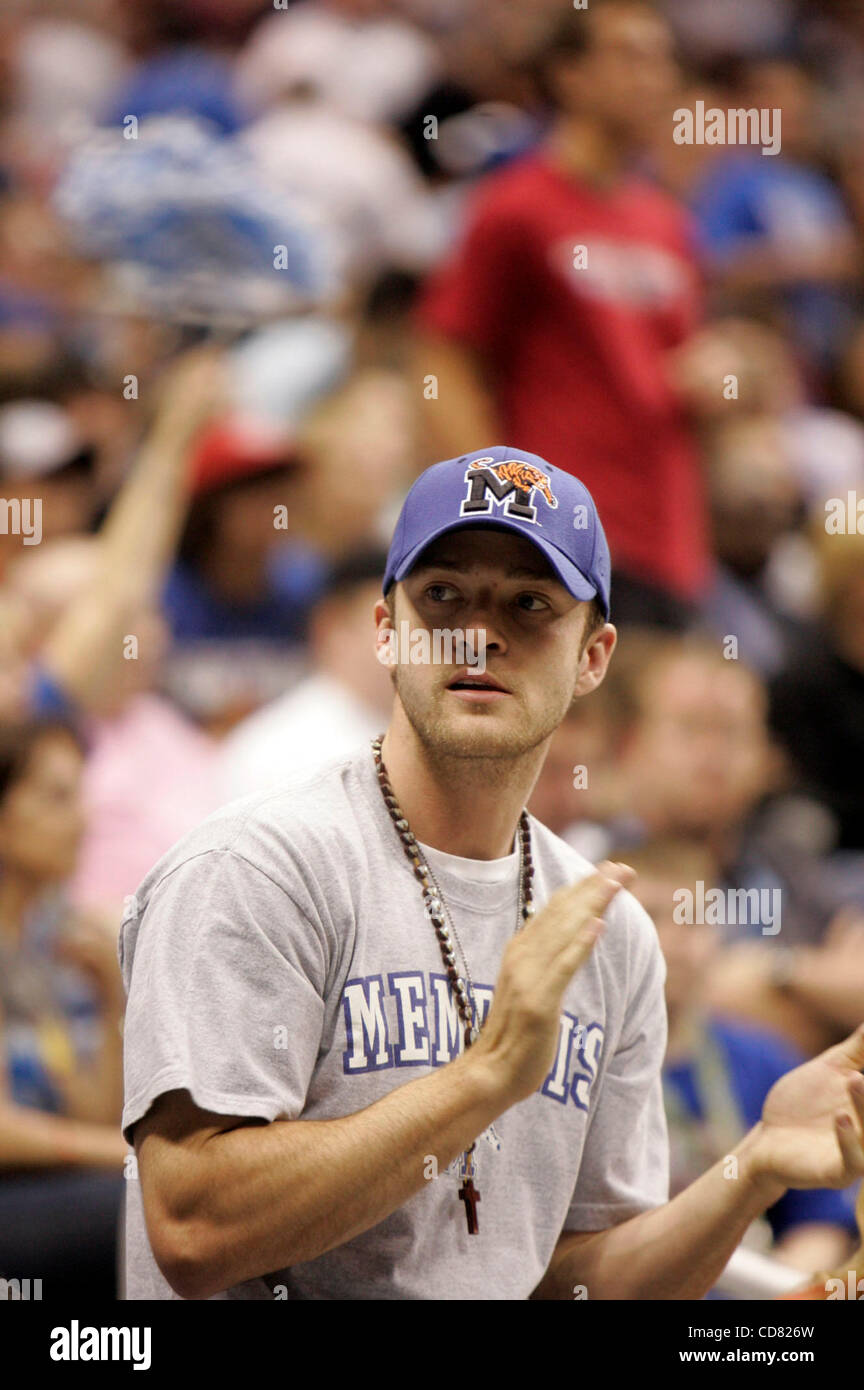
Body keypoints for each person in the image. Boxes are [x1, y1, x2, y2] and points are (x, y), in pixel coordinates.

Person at [120, 446, 864, 1301]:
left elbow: (579, 1282)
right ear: (385, 631)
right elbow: (192, 1227)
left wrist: (755, 1167)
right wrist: (483, 1077)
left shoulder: (607, 930)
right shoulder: (256, 870)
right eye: (443, 598)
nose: (481, 633)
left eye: (529, 604)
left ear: (594, 657)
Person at [415, 0, 710, 625]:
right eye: (629, 56)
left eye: (663, 60)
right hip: (562, 544)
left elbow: (677, 369)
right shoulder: (516, 208)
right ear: (568, 76)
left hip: (668, 543)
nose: (653, 77)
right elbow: (443, 359)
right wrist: (499, 520)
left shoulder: (668, 223)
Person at [623, 837, 858, 1276]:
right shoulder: (581, 1056)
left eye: (691, 920)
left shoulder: (765, 1060)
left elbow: (818, 1219)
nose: (673, 941)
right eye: (651, 917)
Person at [0, 720, 126, 1298]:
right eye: (56, 797)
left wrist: (112, 1000)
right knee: (152, 1209)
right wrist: (126, 1157)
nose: (82, 820)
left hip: (54, 1189)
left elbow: (95, 1115)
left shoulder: (59, 939)